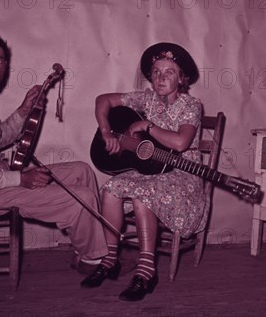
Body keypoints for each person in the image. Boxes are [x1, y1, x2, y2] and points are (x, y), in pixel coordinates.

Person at [0, 31, 108, 276]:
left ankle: (87, 249)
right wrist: (21, 179)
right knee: (79, 196)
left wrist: (23, 110)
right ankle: (93, 261)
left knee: (80, 171)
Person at [80, 42, 208, 302]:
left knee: (142, 193)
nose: (160, 78)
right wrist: (106, 131)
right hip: (149, 170)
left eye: (169, 72)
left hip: (182, 173)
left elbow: (180, 143)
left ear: (182, 78)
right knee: (111, 189)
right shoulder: (145, 98)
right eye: (156, 72)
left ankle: (146, 270)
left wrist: (147, 126)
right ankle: (110, 258)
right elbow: (103, 100)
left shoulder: (191, 105)